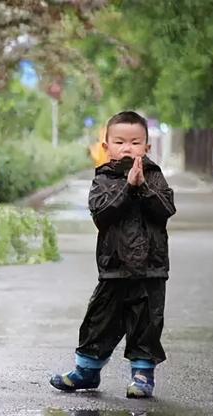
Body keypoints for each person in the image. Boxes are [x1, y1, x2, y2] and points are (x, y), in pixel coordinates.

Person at [50, 111, 176, 398]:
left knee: (146, 324)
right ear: (106, 147)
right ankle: (87, 370)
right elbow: (102, 214)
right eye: (119, 142)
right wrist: (127, 188)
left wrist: (142, 186)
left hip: (151, 270)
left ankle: (142, 375)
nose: (127, 148)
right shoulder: (103, 179)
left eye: (135, 142)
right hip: (113, 268)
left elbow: (166, 210)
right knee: (99, 320)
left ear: (147, 147)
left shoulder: (155, 178)